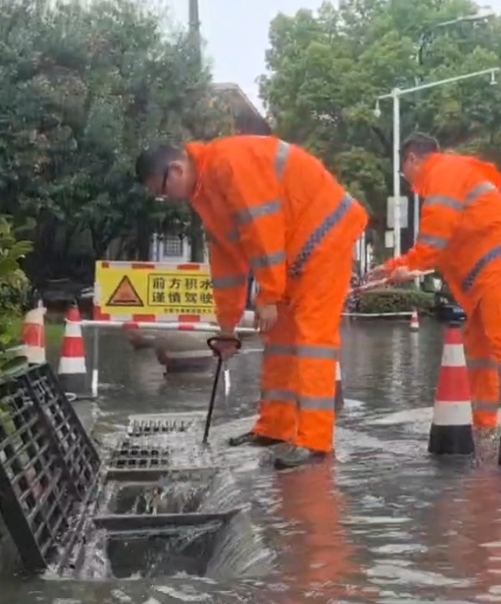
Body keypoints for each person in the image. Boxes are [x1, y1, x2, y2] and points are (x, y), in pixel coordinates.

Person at [136, 136, 368, 469]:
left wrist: (269, 295)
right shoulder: (204, 193)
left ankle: (316, 440)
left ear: (176, 169)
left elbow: (263, 230)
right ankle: (275, 428)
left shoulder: (229, 165)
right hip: (294, 253)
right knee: (279, 342)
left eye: (160, 190)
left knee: (312, 340)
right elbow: (227, 265)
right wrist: (227, 328)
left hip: (325, 238)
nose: (164, 198)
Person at [369, 134, 501, 430]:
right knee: (481, 352)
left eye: (404, 171)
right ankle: (485, 425)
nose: (408, 181)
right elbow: (443, 245)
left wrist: (407, 266)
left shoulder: (443, 174)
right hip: (492, 274)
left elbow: (433, 240)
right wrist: (391, 268)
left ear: (412, 159)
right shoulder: (452, 176)